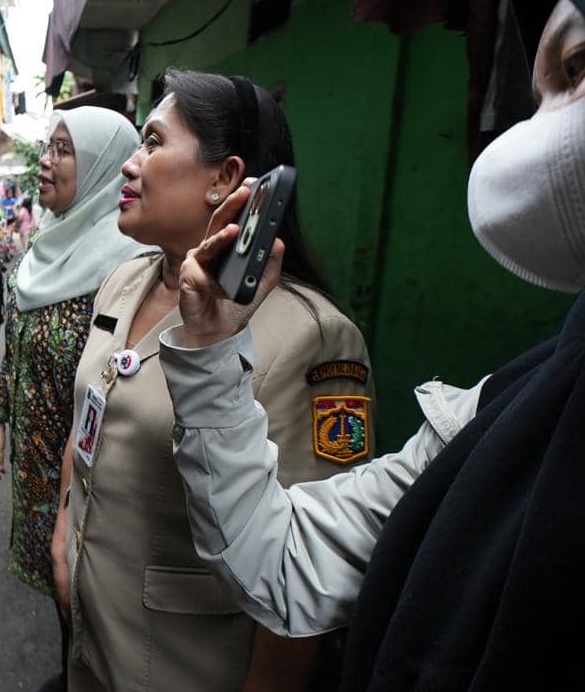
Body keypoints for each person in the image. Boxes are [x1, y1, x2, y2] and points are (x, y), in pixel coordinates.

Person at [161, 0, 585, 689]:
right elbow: (285, 552)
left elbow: (313, 515)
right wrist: (208, 347)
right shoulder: (518, 402)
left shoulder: (320, 335)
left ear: (231, 178)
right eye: (536, 88)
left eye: (576, 66)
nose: (530, 129)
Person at [50, 71, 376, 692]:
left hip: (184, 663)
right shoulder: (127, 280)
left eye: (151, 142)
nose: (129, 164)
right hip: (93, 638)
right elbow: (90, 412)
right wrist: (66, 530)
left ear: (224, 179)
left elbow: (310, 565)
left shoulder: (314, 339)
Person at [0, 107, 145, 692]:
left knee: (97, 609)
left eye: (63, 151)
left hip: (88, 485)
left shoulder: (126, 271)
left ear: (102, 168)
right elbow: (15, 343)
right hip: (37, 470)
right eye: (46, 149)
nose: (45, 163)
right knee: (63, 602)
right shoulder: (43, 248)